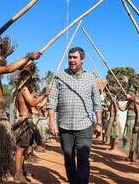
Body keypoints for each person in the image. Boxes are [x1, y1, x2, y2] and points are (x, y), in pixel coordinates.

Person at [0, 36, 42, 183]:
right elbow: (10, 68)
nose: (4, 60)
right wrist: (28, 56)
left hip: (0, 117)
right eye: (1, 58)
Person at [47, 47, 102, 184]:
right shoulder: (59, 76)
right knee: (68, 157)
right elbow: (52, 101)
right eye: (70, 57)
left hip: (84, 125)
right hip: (64, 126)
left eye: (75, 57)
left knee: (83, 157)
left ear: (82, 59)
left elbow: (97, 102)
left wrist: (99, 123)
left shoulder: (91, 78)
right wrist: (52, 122)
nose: (71, 60)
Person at [12, 63, 50, 183]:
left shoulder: (24, 89)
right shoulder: (23, 89)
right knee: (20, 149)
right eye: (29, 76)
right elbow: (33, 103)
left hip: (27, 121)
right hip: (24, 122)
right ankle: (17, 174)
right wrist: (44, 94)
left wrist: (44, 96)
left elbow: (36, 105)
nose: (30, 80)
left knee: (24, 149)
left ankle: (21, 171)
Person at [120, 87, 139, 162]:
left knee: (133, 139)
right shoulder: (129, 102)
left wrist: (136, 125)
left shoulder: (136, 101)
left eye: (129, 93)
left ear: (133, 94)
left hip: (133, 122)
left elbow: (138, 113)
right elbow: (122, 109)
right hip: (128, 121)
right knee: (128, 138)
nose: (127, 94)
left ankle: (131, 157)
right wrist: (115, 101)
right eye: (128, 93)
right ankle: (130, 156)